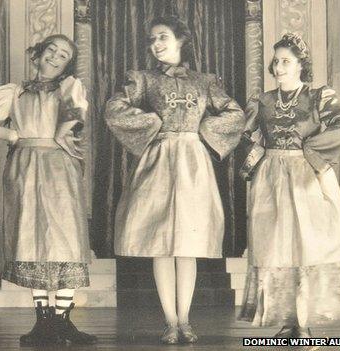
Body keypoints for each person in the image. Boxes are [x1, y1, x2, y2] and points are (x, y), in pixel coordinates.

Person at [105, 16, 245, 344]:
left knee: (188, 246)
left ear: (181, 40)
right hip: (158, 163)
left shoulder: (205, 81)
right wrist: (153, 124)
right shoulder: (141, 79)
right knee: (161, 245)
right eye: (153, 39)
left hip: (193, 164)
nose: (156, 44)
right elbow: (114, 109)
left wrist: (203, 131)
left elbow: (235, 113)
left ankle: (185, 319)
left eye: (163, 37)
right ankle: (170, 321)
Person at [0, 34, 96, 346]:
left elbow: (74, 120)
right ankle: (43, 321)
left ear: (68, 63)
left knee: (66, 237)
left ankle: (63, 320)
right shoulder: (14, 91)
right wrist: (13, 134)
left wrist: (60, 133)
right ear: (38, 54)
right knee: (30, 237)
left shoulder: (69, 88)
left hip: (59, 164)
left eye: (64, 55)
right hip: (24, 167)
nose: (56, 57)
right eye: (51, 50)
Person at [238, 33, 340, 337]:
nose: (278, 67)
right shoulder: (263, 101)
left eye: (285, 61)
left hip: (307, 180)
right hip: (271, 182)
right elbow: (242, 135)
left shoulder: (319, 96)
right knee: (277, 249)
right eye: (276, 60)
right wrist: (257, 159)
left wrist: (309, 150)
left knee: (305, 249)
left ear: (300, 66)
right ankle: (288, 322)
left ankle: (303, 323)